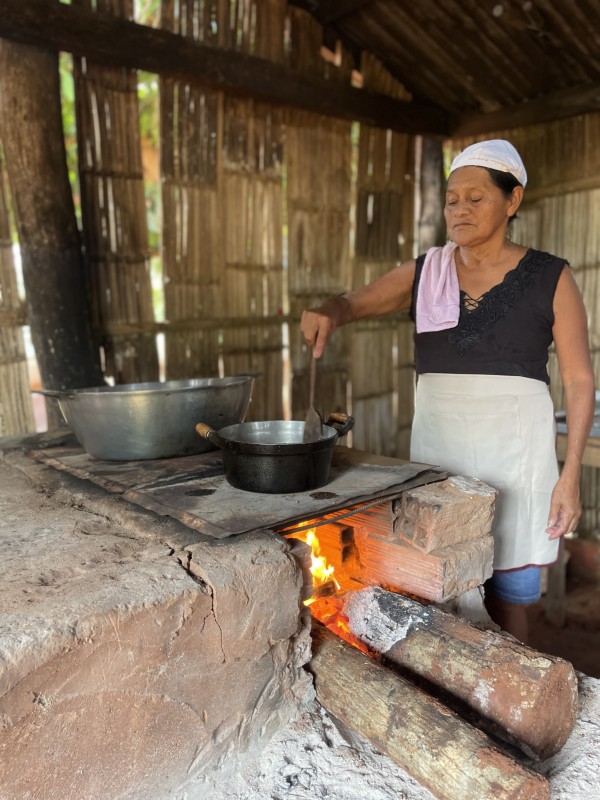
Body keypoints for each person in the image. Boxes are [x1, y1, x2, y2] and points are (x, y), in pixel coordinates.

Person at [301, 139, 595, 643]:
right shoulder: (426, 273)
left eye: (475, 198)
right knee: (439, 580)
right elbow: (351, 304)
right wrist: (329, 311)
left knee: (508, 594)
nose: (460, 209)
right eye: (452, 200)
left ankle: (509, 682)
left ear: (512, 200)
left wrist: (569, 479)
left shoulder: (551, 277)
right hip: (442, 451)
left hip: (517, 455)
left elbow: (580, 380)